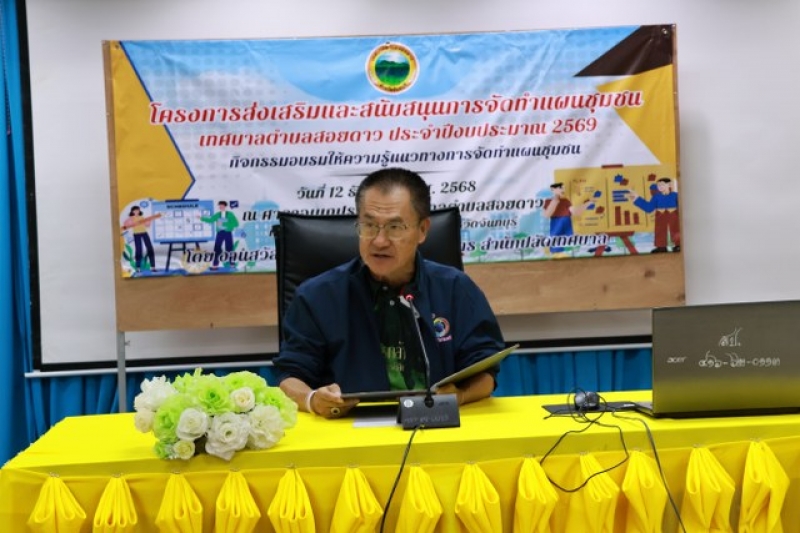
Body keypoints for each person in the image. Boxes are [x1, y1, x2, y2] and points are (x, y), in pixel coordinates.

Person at [272, 168, 505, 419]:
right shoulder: (318, 296)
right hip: (350, 431)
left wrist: (460, 397)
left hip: (437, 425)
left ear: (423, 230)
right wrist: (312, 400)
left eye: (395, 227)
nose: (379, 241)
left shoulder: (455, 289)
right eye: (369, 225)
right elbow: (290, 376)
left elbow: (485, 371)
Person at [628, 177, 681, 253]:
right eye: (658, 185)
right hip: (660, 215)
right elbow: (648, 208)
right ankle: (661, 247)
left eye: (662, 185)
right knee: (659, 230)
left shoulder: (675, 195)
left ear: (669, 185)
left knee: (676, 229)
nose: (660, 187)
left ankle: (678, 245)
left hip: (673, 213)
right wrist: (636, 199)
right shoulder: (656, 197)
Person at [542, 182, 590, 255]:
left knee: (569, 244)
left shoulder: (565, 201)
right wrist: (555, 199)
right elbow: (547, 214)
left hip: (567, 223)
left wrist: (587, 204)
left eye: (563, 188)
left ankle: (569, 253)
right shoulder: (548, 201)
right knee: (556, 245)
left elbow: (575, 211)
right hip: (556, 224)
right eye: (561, 188)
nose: (563, 190)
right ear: (552, 189)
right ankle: (556, 253)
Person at [200, 200, 240, 269]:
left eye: (222, 206)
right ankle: (215, 264)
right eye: (220, 206)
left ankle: (232, 264)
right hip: (220, 233)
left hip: (228, 233)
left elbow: (236, 224)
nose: (220, 207)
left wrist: (225, 224)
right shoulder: (217, 214)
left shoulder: (230, 214)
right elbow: (211, 220)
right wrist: (201, 218)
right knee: (217, 248)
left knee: (229, 248)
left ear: (225, 206)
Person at [121, 205, 158, 273]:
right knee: (138, 250)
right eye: (135, 210)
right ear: (132, 211)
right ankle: (138, 267)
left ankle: (153, 267)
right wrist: (132, 222)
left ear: (139, 211)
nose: (136, 211)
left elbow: (147, 225)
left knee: (150, 248)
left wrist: (148, 220)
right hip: (136, 234)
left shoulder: (142, 217)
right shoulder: (130, 219)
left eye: (137, 210)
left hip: (144, 233)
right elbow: (125, 225)